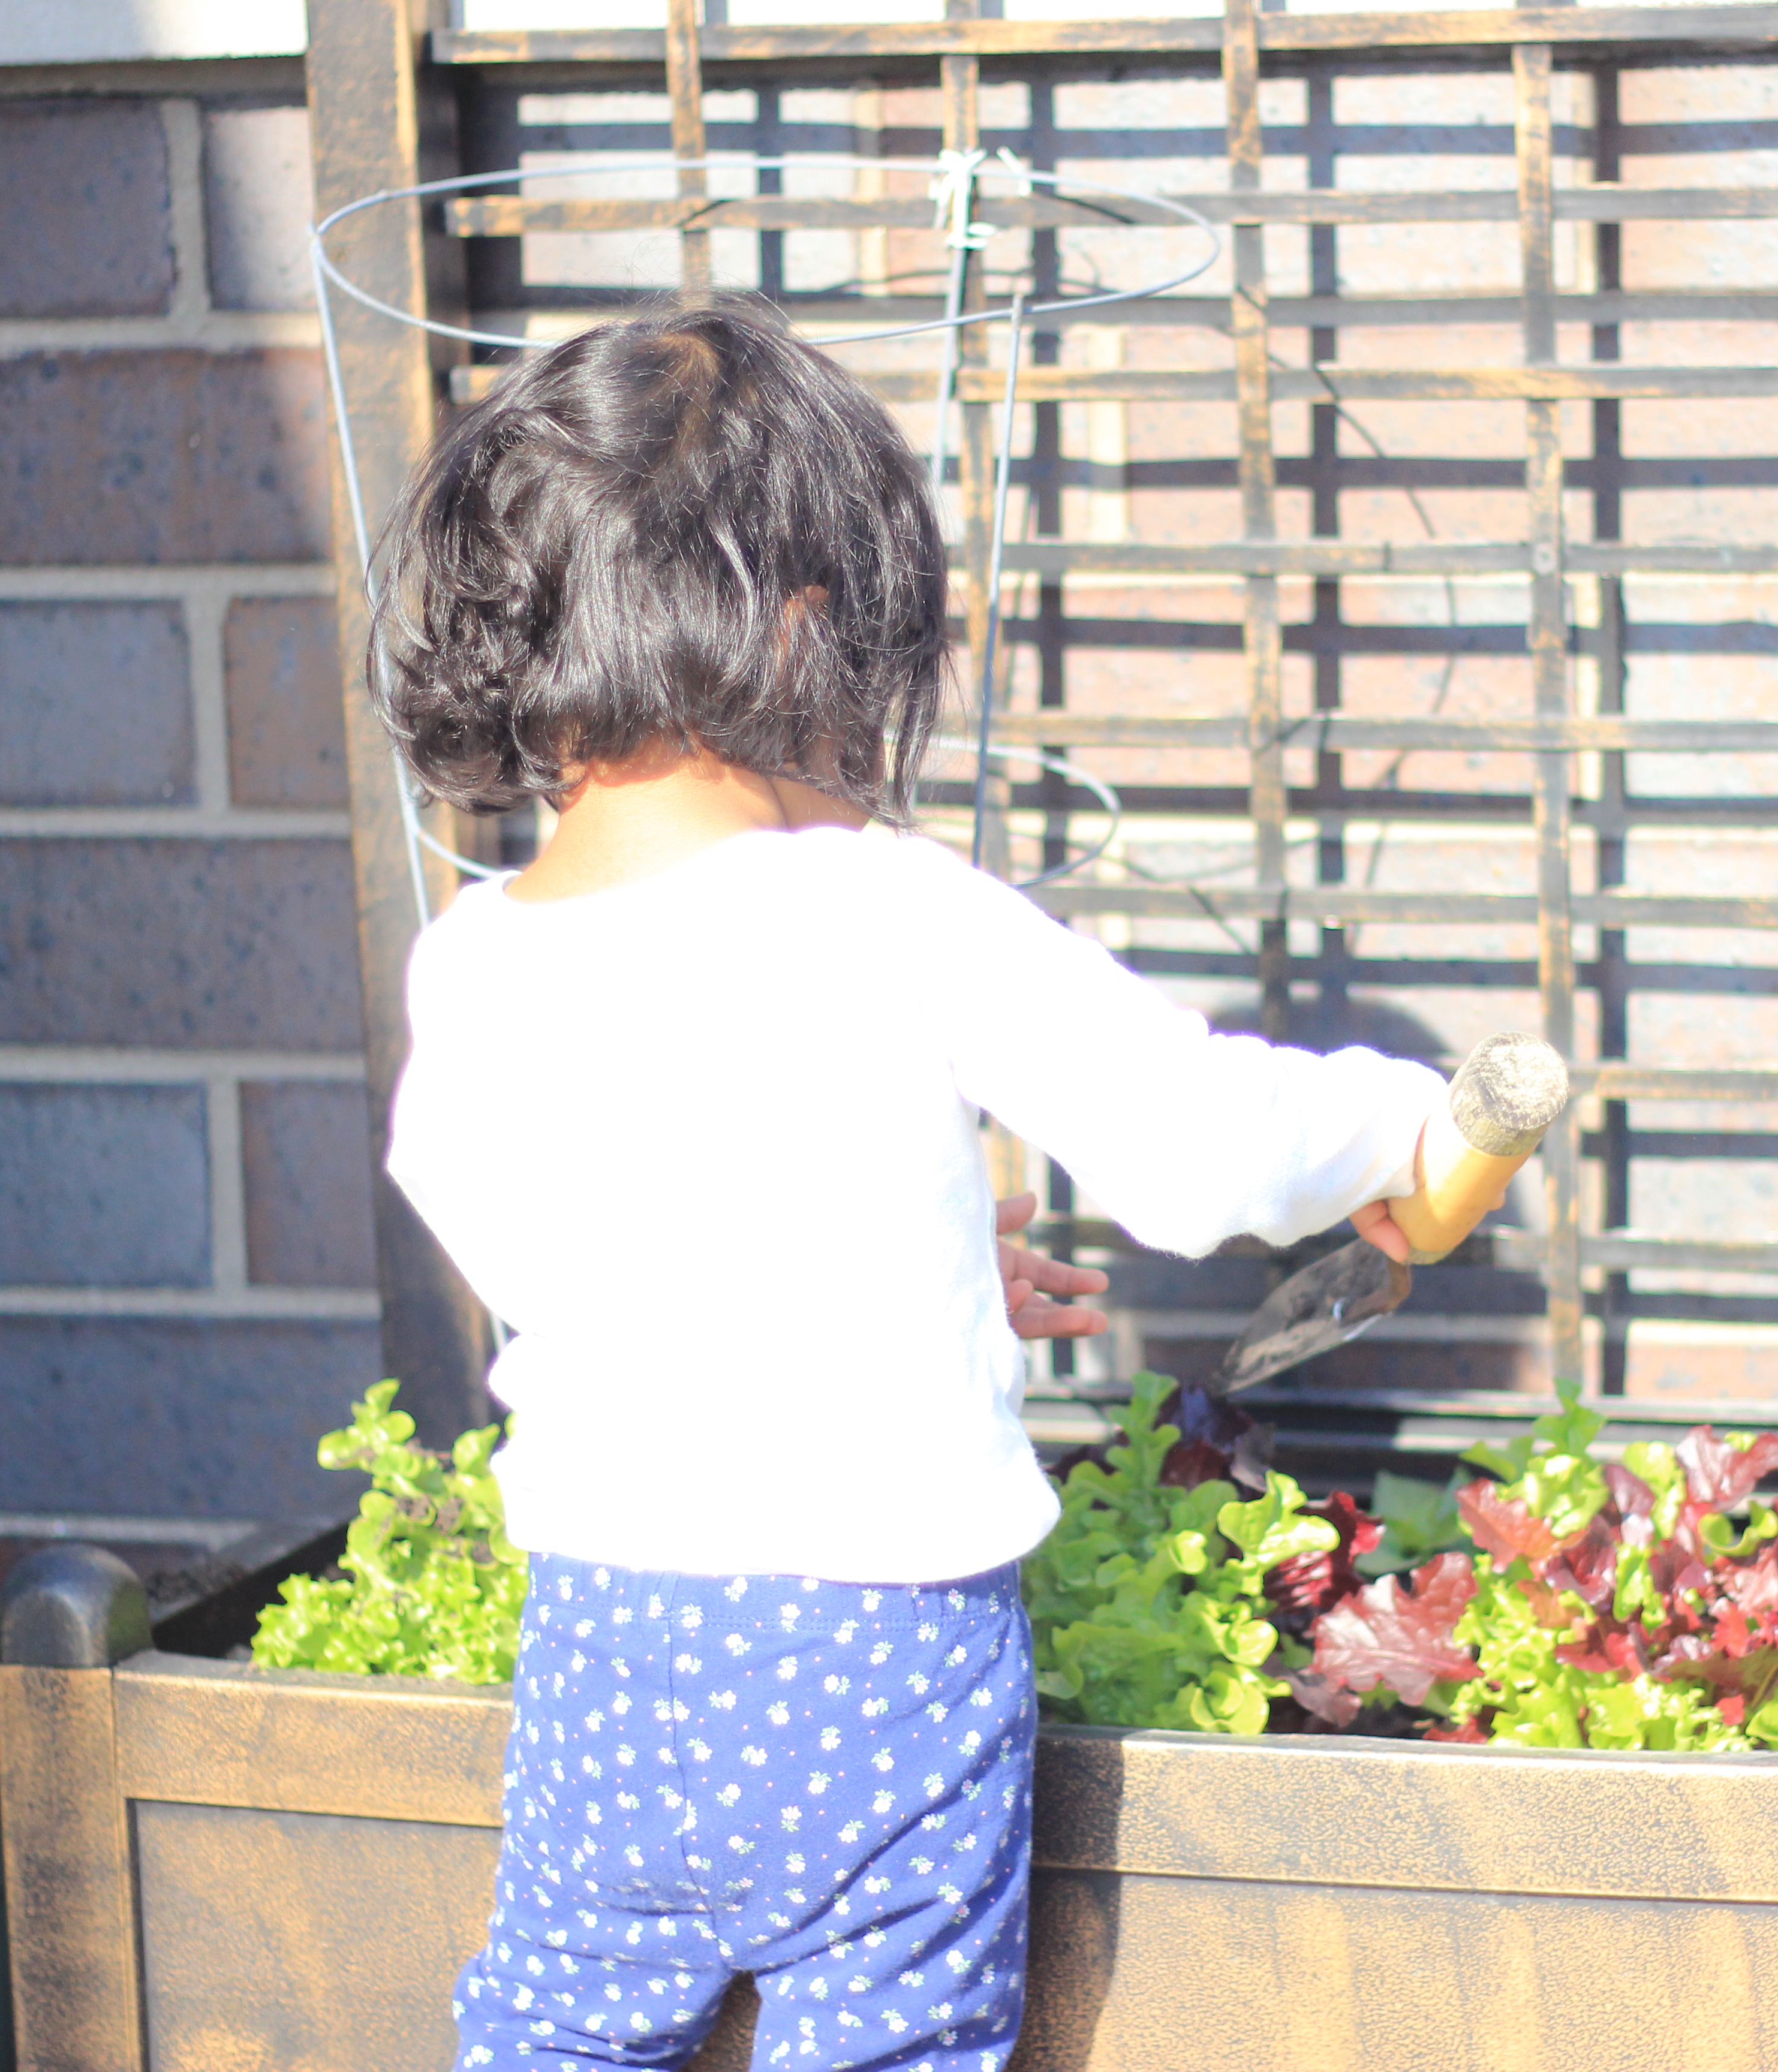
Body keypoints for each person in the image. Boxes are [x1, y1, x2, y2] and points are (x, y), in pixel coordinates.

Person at [374, 302, 1443, 2072]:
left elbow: (502, 1206)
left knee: (557, 2030)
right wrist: (1402, 1127)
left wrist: (896, 1251)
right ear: (813, 630)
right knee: (887, 2041)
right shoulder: (887, 906)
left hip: (604, 1653)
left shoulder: (477, 955)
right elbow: (1196, 1145)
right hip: (866, 1656)